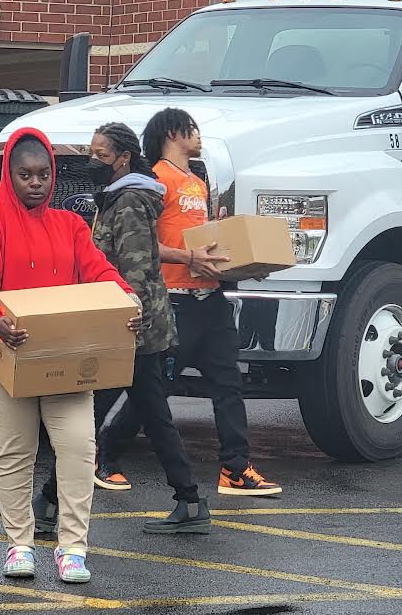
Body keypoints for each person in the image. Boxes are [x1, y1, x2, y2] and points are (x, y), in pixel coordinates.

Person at [0, 128, 143, 583]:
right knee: (16, 451)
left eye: (43, 174)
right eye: (25, 175)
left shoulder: (71, 226)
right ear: (10, 176)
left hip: (61, 357)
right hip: (3, 352)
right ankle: (20, 544)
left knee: (79, 447)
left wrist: (125, 297)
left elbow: (100, 270)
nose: (36, 183)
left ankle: (72, 549)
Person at [37, 121, 211, 535]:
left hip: (129, 328)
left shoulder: (130, 200)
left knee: (87, 415)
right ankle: (189, 501)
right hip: (135, 327)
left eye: (101, 155)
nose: (93, 161)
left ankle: (47, 502)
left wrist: (123, 321)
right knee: (145, 414)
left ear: (123, 158)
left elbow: (134, 268)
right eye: (92, 153)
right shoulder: (122, 196)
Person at [106, 108, 282, 497]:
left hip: (210, 297)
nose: (199, 136)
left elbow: (199, 237)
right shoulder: (155, 180)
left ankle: (235, 467)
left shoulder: (197, 181)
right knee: (156, 387)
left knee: (228, 382)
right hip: (174, 300)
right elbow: (140, 242)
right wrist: (188, 258)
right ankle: (106, 454)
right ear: (173, 132)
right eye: (193, 129)